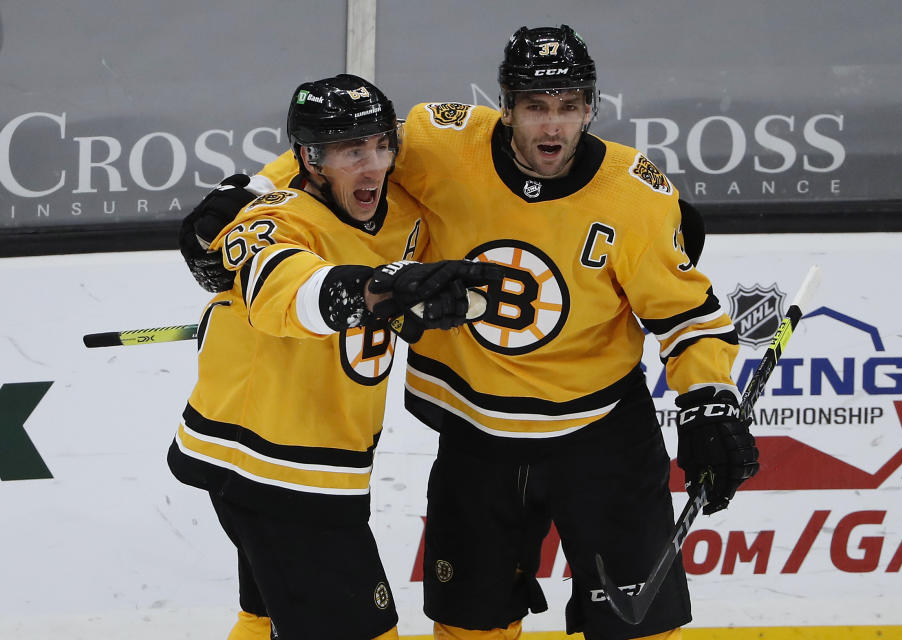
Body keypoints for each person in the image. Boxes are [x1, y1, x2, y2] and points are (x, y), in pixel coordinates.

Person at [180, 25, 759, 640]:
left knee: (637, 630)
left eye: (569, 106)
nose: (553, 127)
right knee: (468, 628)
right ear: (505, 106)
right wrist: (257, 188)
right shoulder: (442, 140)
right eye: (535, 107)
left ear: (593, 107)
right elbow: (345, 143)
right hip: (476, 438)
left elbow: (688, 316)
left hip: (601, 438)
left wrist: (709, 402)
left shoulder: (635, 196)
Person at [168, 74, 501, 640]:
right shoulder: (274, 219)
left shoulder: (405, 209)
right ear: (311, 159)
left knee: (267, 616)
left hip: (315, 449)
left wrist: (422, 302)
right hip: (274, 463)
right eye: (352, 151)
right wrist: (380, 290)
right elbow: (287, 292)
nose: (372, 165)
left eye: (380, 145)